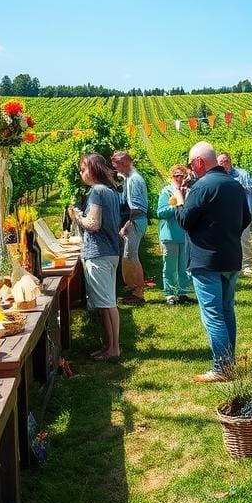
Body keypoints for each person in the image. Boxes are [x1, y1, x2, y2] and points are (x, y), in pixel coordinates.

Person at [171, 141, 250, 382]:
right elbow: (246, 219)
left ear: (198, 162)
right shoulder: (235, 185)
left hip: (206, 261)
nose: (190, 169)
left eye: (191, 164)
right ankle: (229, 363)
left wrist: (178, 198)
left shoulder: (201, 187)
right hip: (231, 256)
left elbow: (185, 221)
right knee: (227, 310)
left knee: (213, 314)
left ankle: (222, 368)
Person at [74, 153, 122, 360]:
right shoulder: (110, 191)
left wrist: (77, 216)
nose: (82, 173)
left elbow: (93, 224)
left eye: (84, 169)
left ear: (93, 170)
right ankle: (109, 345)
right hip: (111, 251)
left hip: (99, 253)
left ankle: (114, 348)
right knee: (106, 302)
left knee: (108, 303)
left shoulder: (96, 192)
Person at [111, 151, 148, 305]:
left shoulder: (134, 180)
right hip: (136, 221)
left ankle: (138, 293)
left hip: (136, 221)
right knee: (128, 257)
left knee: (131, 257)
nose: (116, 170)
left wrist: (127, 224)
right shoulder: (130, 178)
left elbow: (137, 208)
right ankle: (134, 290)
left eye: (117, 166)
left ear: (125, 163)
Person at [155, 164, 193, 305]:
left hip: (184, 234)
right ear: (171, 177)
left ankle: (183, 292)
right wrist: (174, 207)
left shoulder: (189, 192)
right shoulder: (167, 192)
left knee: (184, 266)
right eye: (175, 175)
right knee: (170, 267)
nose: (178, 178)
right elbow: (159, 212)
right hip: (169, 234)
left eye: (181, 175)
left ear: (185, 177)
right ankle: (169, 294)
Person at [217, 152, 252, 276]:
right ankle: (229, 263)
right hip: (223, 213)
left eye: (226, 161)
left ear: (231, 161)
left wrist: (241, 187)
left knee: (244, 239)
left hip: (241, 212)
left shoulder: (242, 174)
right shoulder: (216, 176)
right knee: (225, 239)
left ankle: (247, 265)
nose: (224, 164)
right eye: (221, 162)